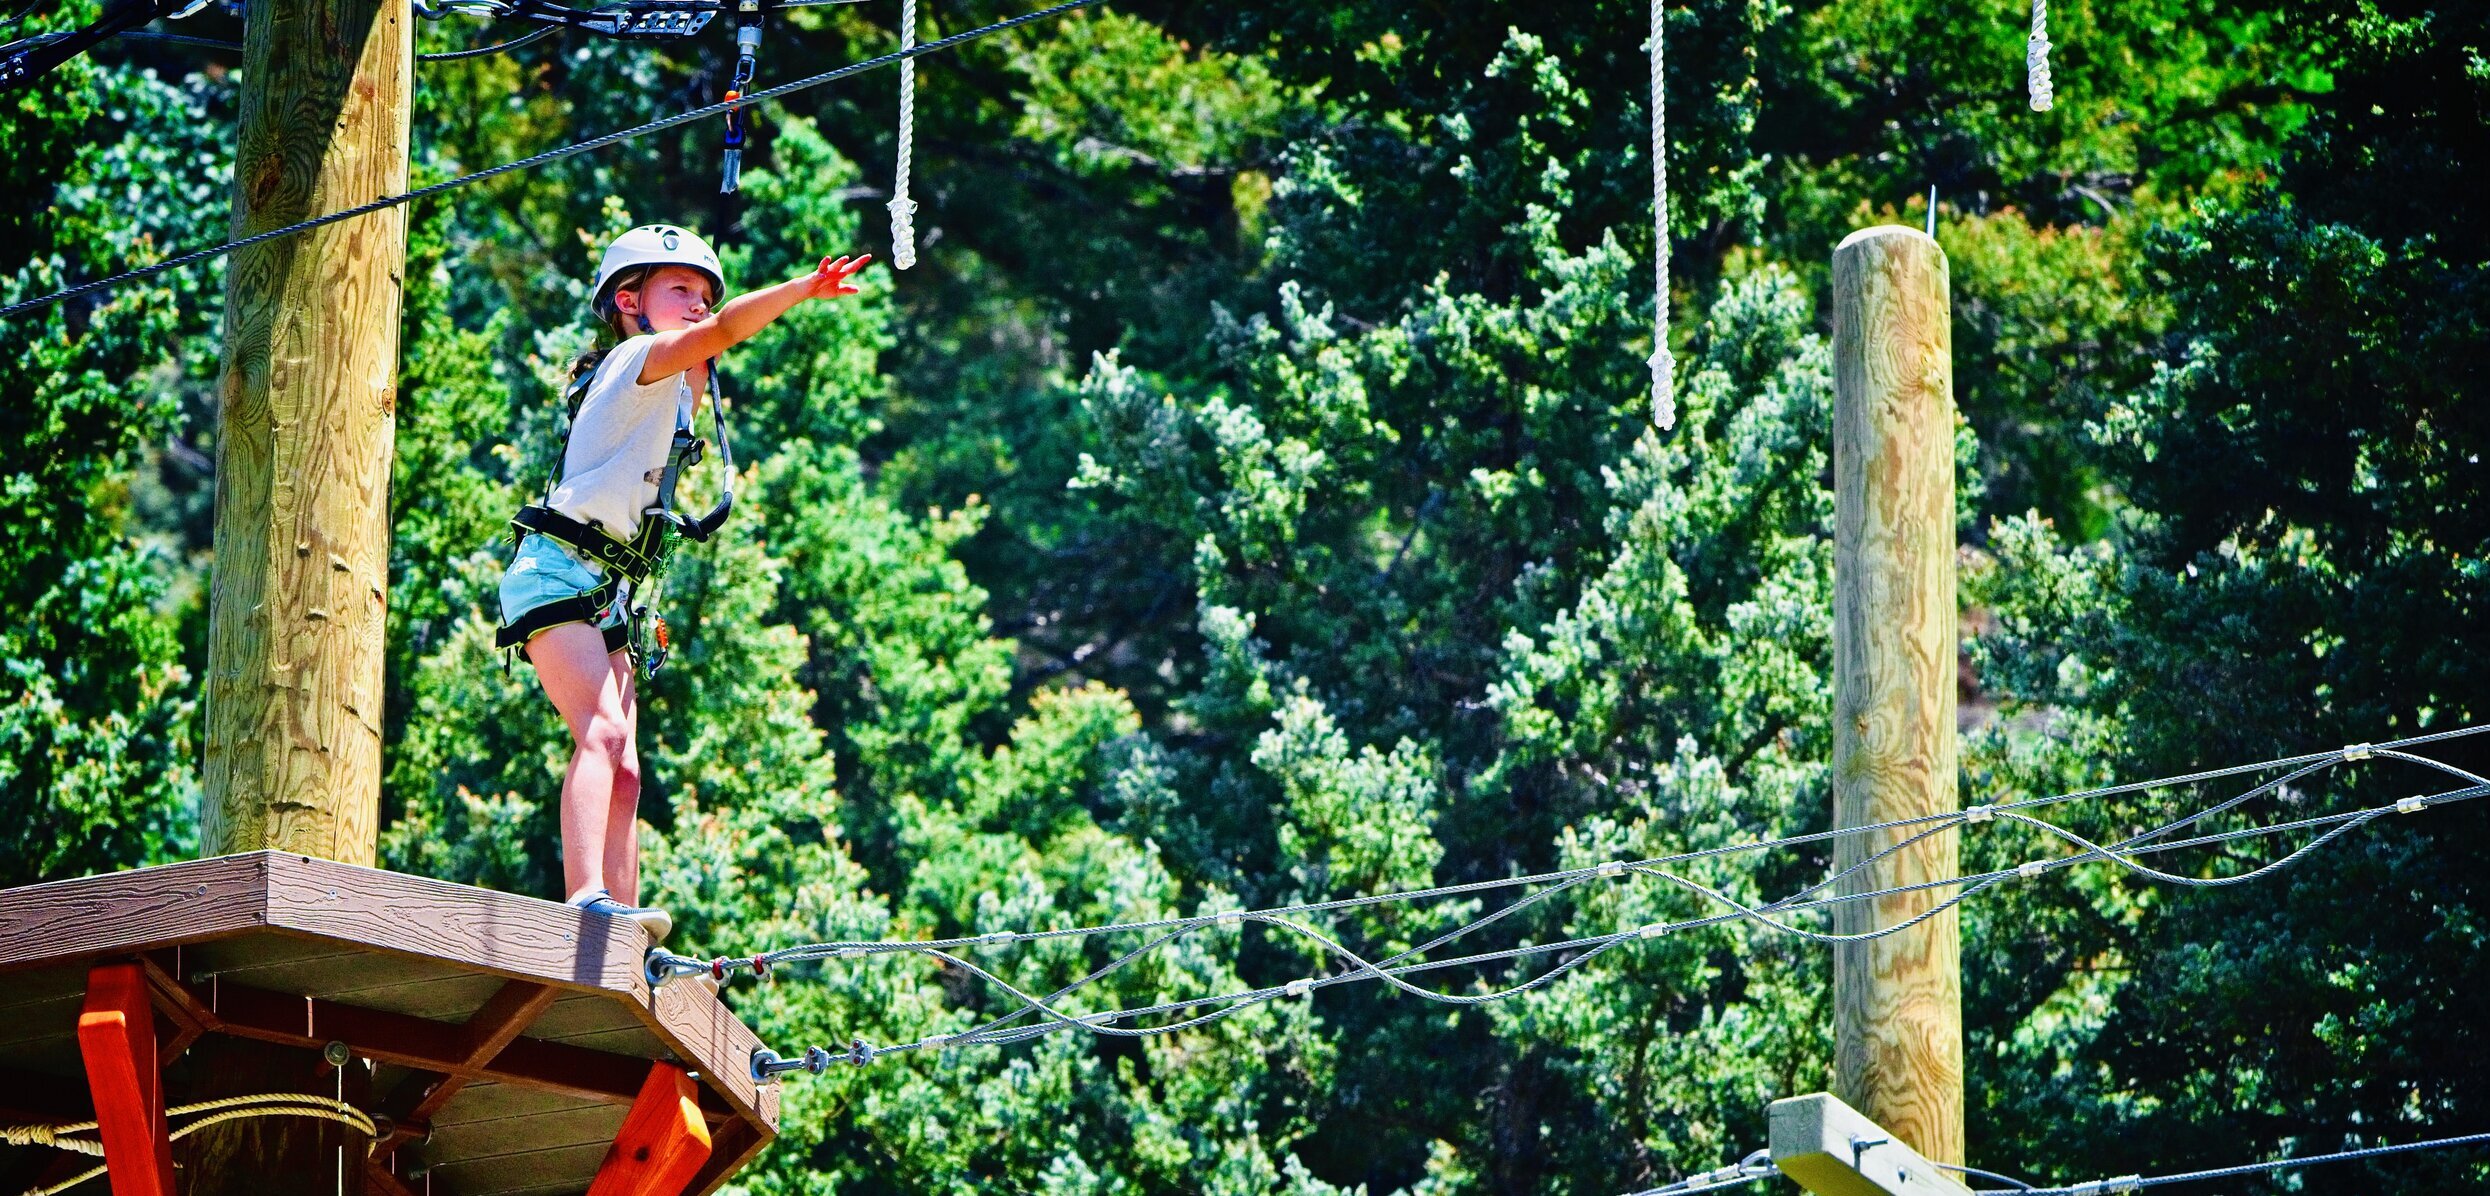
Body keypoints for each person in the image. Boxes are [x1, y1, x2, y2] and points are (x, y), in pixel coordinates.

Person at [495, 223, 871, 941]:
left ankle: (622, 927)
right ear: (630, 302)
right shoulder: (637, 359)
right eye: (681, 291)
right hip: (560, 570)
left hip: (610, 591)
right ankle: (585, 900)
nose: (699, 304)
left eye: (703, 293)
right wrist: (803, 289)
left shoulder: (669, 395)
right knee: (601, 737)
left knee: (627, 772)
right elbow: (728, 329)